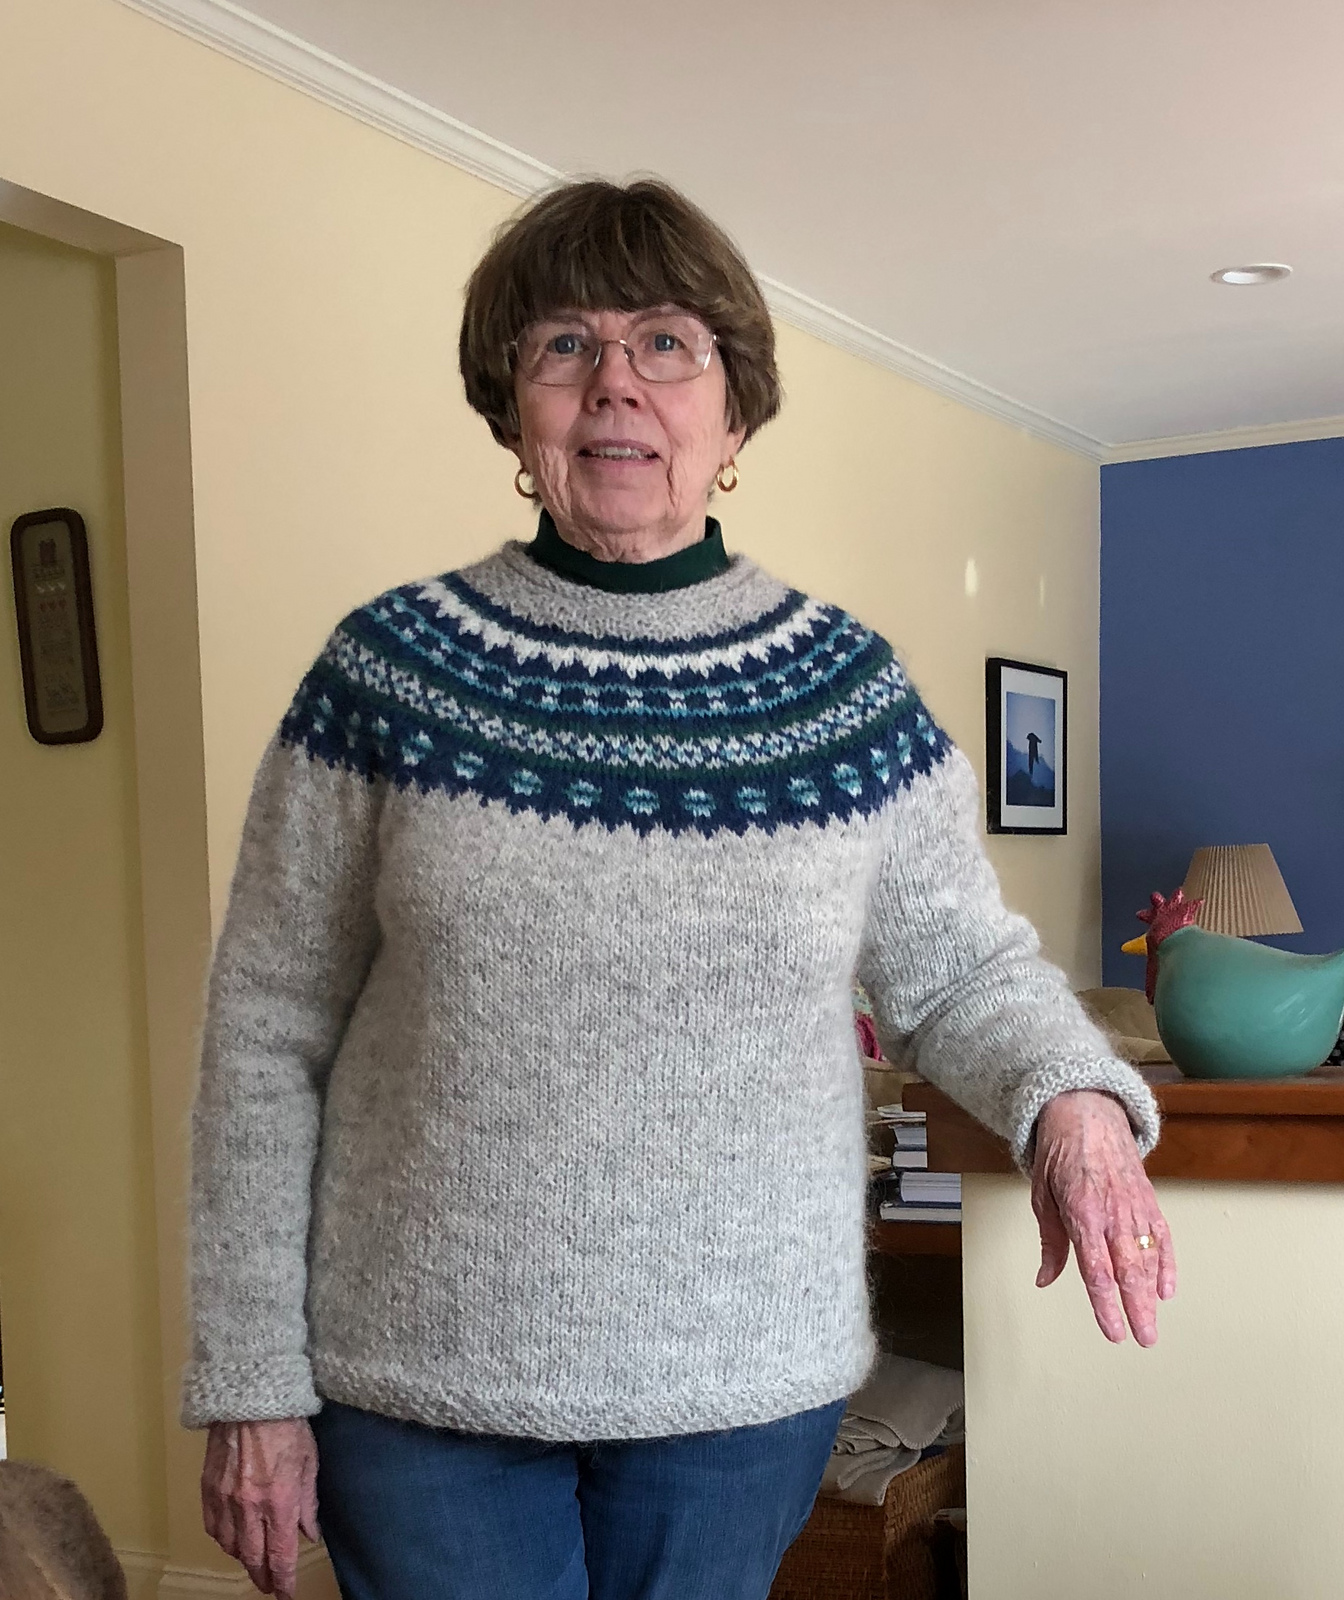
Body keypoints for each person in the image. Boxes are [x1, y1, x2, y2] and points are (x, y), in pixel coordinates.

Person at [185, 178, 1176, 1600]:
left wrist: (1073, 1103)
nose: (616, 385)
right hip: (418, 1385)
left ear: (736, 410)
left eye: (665, 343)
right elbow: (265, 1033)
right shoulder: (388, 673)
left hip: (739, 1389)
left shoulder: (843, 694)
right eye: (564, 346)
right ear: (512, 407)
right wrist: (248, 1377)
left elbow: (961, 970)